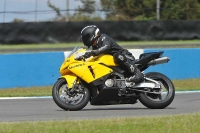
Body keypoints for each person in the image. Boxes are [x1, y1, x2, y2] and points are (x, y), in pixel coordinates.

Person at [79, 25, 144, 83]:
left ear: (91, 35)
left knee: (117, 55)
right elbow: (94, 56)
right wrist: (83, 57)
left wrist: (92, 52)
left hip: (125, 56)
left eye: (86, 37)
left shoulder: (103, 37)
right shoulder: (95, 46)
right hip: (115, 63)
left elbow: (106, 47)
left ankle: (137, 73)